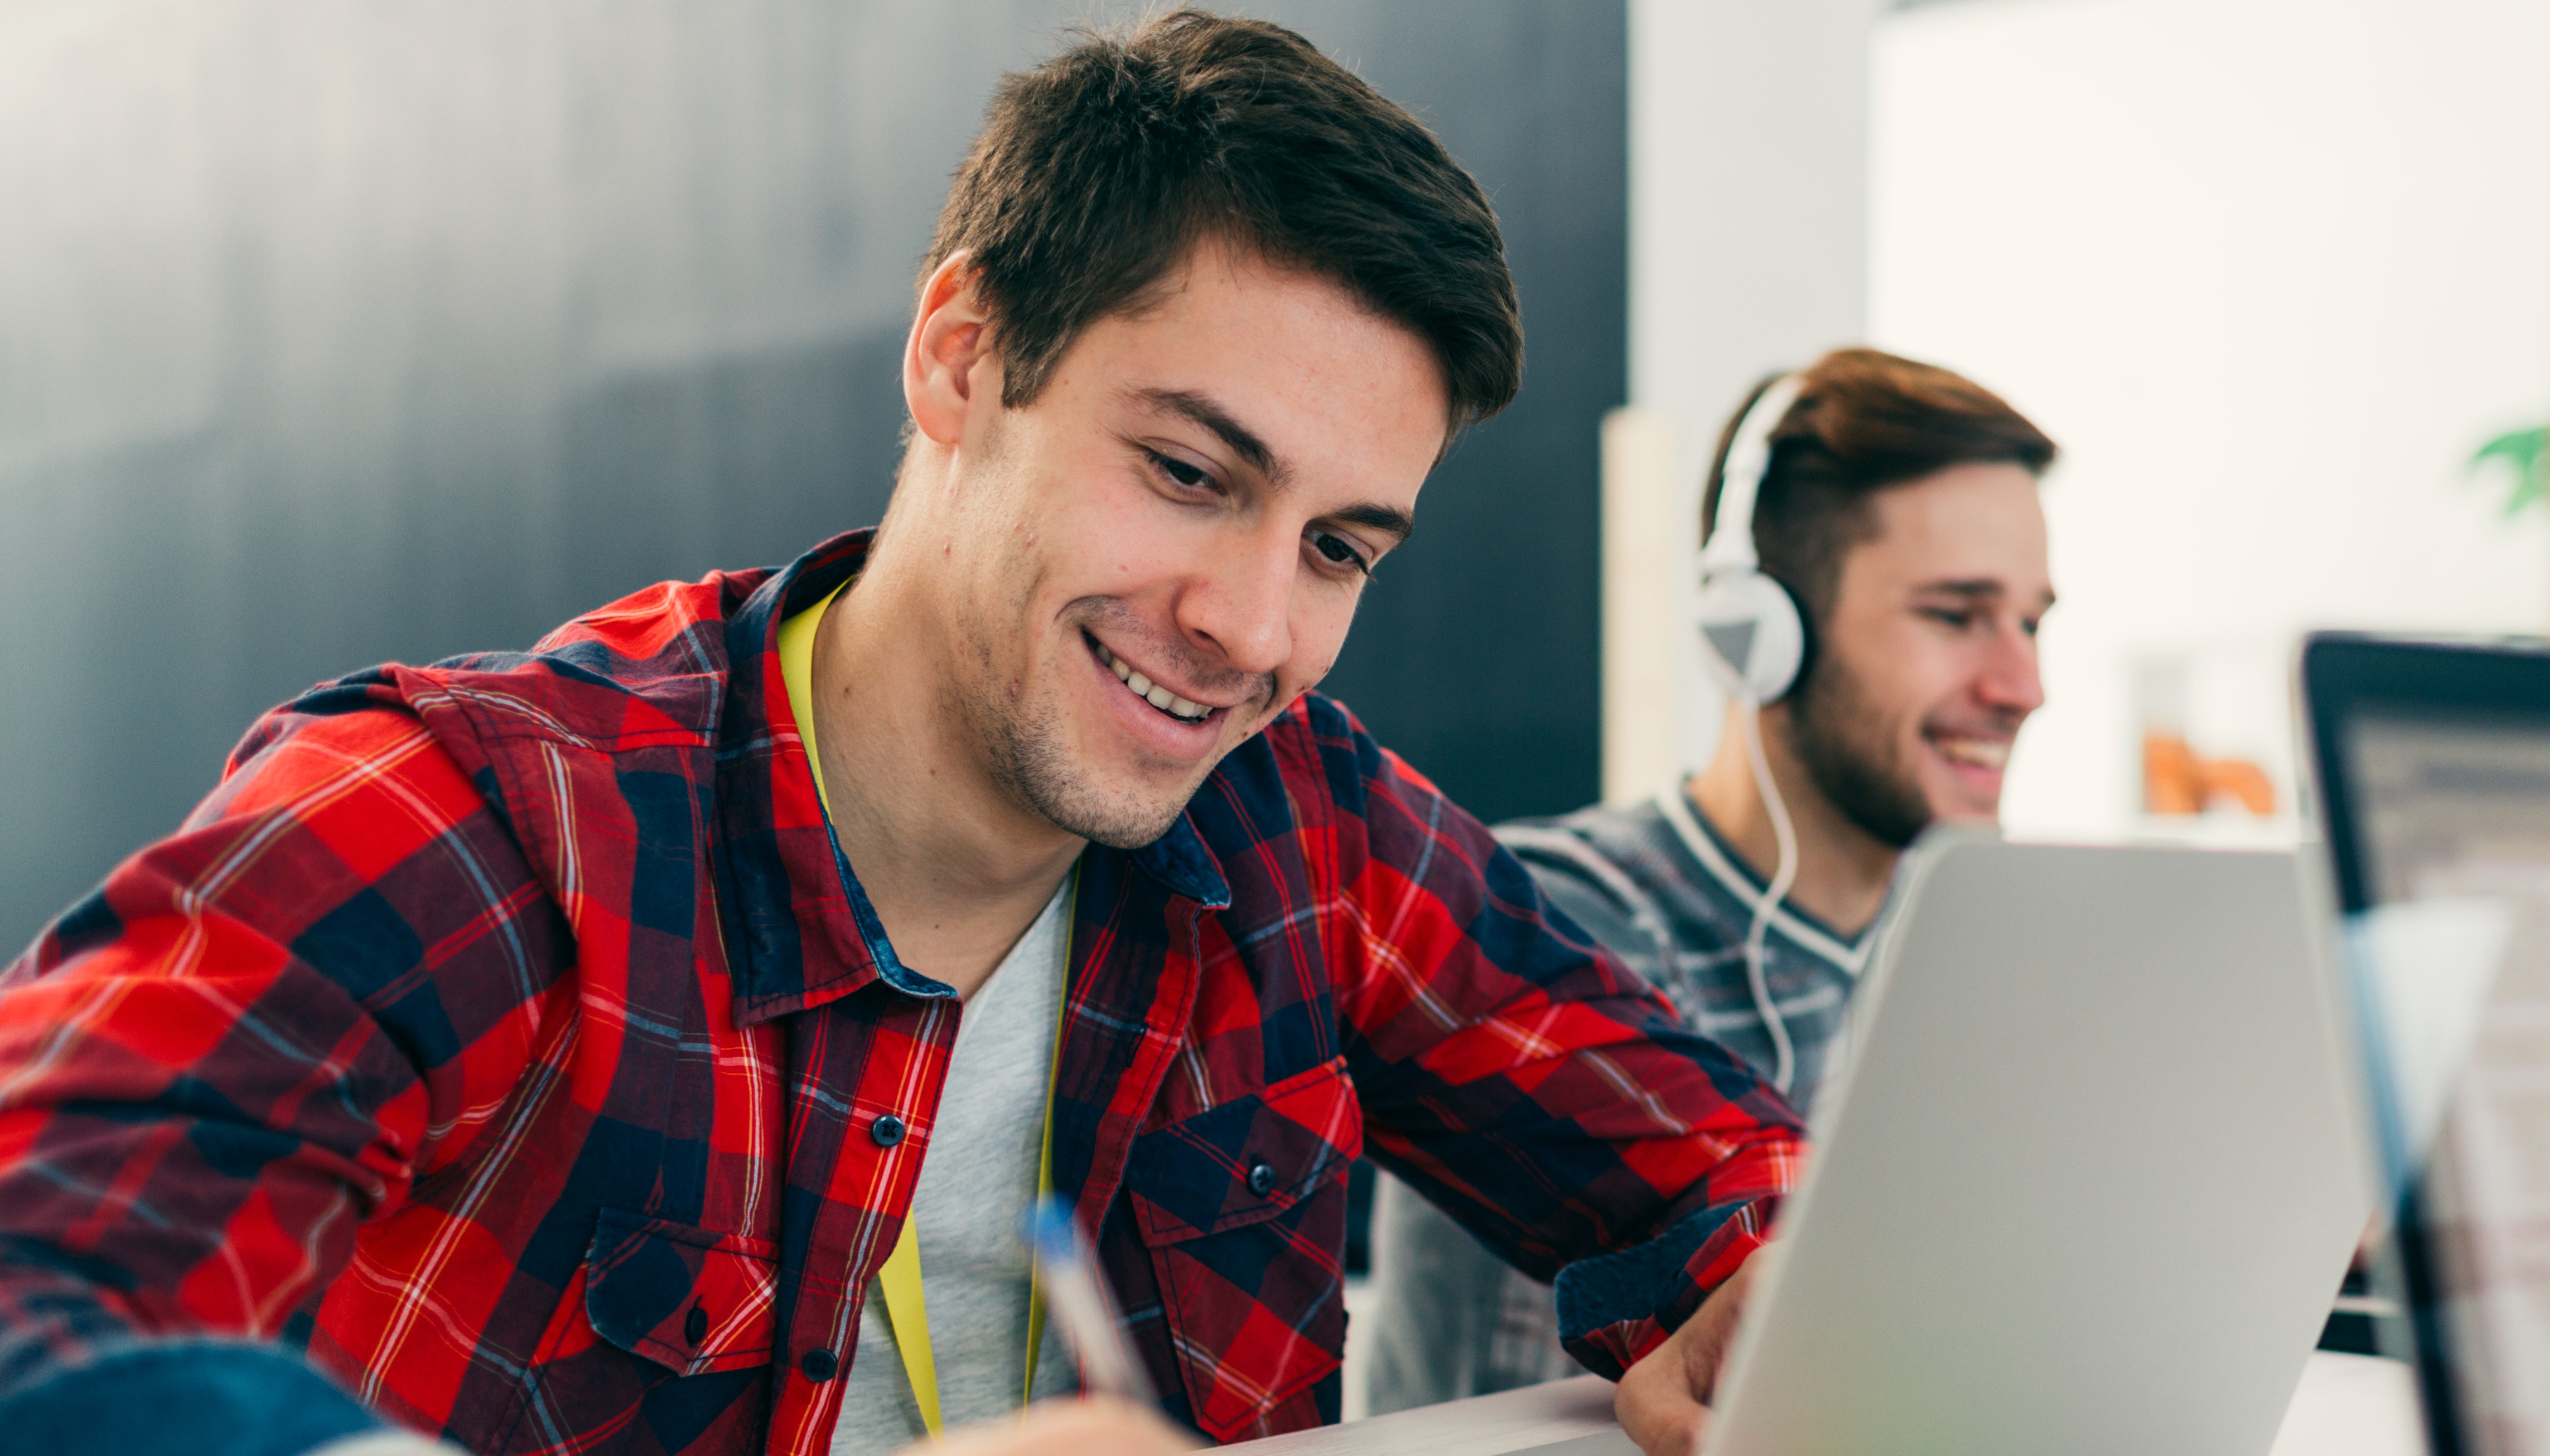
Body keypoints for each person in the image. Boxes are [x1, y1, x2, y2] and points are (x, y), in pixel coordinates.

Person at [0, 13, 1803, 1456]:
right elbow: (31, 1294)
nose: (1253, 629)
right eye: (1188, 472)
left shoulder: (1302, 828)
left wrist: (1769, 1292)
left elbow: (1731, 1170)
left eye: (1338, 548)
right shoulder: (476, 816)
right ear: (959, 358)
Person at [1363, 347, 2058, 1413]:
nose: (2024, 686)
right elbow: (1506, 1418)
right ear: (1758, 634)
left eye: (2033, 621)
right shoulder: (1566, 925)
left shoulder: (1975, 958)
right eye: (1957, 616)